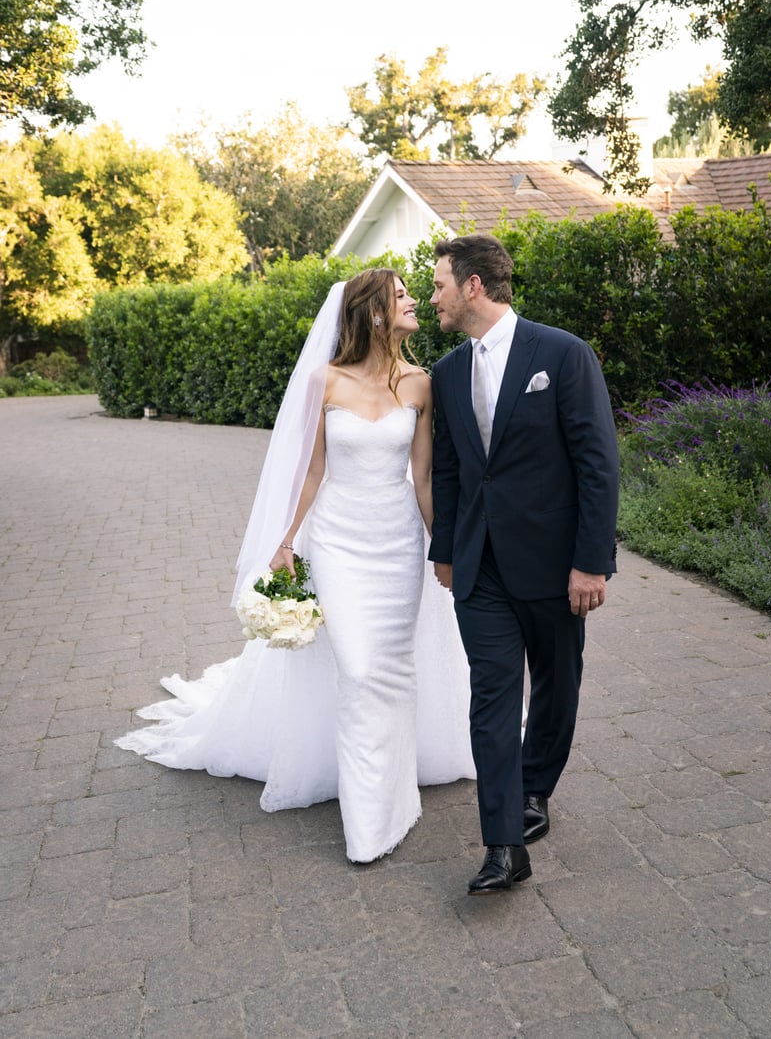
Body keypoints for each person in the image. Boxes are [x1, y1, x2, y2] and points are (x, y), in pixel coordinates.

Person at [117, 269, 474, 864]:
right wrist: (284, 541)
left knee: (392, 669)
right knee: (359, 670)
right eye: (403, 295)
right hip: (337, 541)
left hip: (399, 547)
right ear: (375, 313)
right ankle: (369, 825)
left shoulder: (420, 384)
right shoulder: (323, 380)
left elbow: (424, 477)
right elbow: (310, 471)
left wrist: (445, 550)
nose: (416, 301)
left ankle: (396, 794)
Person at [428, 234, 619, 894]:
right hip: (480, 570)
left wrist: (591, 562)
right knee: (493, 694)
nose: (434, 299)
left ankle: (536, 788)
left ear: (473, 285)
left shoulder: (562, 354)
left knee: (558, 685)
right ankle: (504, 842)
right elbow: (450, 470)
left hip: (555, 565)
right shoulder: (448, 373)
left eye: (440, 286)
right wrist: (446, 551)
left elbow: (598, 463)